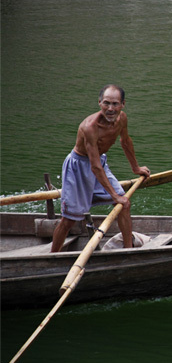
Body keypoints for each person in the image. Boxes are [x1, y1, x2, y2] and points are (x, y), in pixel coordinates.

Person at [51, 84, 150, 252]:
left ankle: (128, 251)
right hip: (79, 168)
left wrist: (136, 168)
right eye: (106, 103)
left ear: (122, 104)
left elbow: (125, 141)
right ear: (99, 103)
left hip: (100, 163)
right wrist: (115, 196)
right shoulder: (90, 127)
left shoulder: (122, 119)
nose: (110, 109)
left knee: (124, 205)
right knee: (69, 220)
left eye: (115, 104)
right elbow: (95, 167)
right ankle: (52, 256)